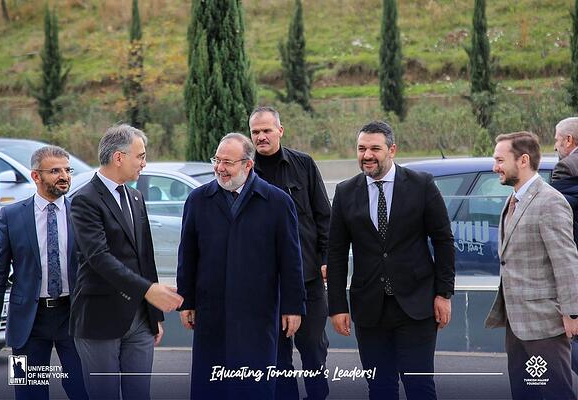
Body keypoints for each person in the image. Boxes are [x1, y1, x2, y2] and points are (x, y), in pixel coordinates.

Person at [327, 121, 455, 400]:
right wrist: (336, 306)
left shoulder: (421, 185)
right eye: (361, 149)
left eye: (375, 148)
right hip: (369, 309)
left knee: (419, 387)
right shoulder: (346, 191)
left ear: (392, 150)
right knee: (380, 387)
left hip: (417, 306)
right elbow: (335, 252)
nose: (367, 155)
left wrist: (444, 293)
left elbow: (443, 241)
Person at [176, 132, 306, 399]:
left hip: (257, 314)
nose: (220, 168)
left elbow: (291, 260)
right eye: (217, 160)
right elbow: (187, 255)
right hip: (212, 311)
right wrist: (185, 300)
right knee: (211, 385)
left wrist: (293, 306)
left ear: (248, 165)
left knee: (254, 386)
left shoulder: (277, 202)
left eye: (228, 162)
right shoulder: (199, 200)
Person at [70, 124, 183, 400]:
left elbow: (145, 257)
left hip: (140, 320)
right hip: (99, 319)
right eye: (140, 156)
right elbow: (99, 257)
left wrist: (153, 314)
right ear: (119, 157)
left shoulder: (135, 196)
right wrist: (148, 290)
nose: (144, 163)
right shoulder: (84, 200)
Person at [0, 146, 88, 400]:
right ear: (36, 176)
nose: (64, 176)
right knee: (29, 393)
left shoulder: (82, 214)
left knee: (83, 390)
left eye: (67, 170)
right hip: (28, 320)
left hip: (73, 316)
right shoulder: (12, 215)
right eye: (55, 171)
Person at [485, 131, 578, 400]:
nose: (495, 167)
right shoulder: (513, 198)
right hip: (517, 323)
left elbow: (566, 260)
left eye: (500, 160)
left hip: (544, 324)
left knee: (554, 393)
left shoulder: (549, 201)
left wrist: (572, 312)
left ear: (523, 160)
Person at [249, 106, 331, 400]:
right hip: (265, 285)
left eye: (267, 130)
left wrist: (325, 261)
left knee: (312, 347)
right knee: (276, 356)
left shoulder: (304, 164)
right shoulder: (244, 170)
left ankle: (318, 395)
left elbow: (324, 217)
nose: (261, 137)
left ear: (280, 131)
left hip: (307, 278)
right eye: (255, 132)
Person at [551, 117, 578, 377]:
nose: (556, 146)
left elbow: (556, 213)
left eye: (558, 140)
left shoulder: (565, 169)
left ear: (569, 140)